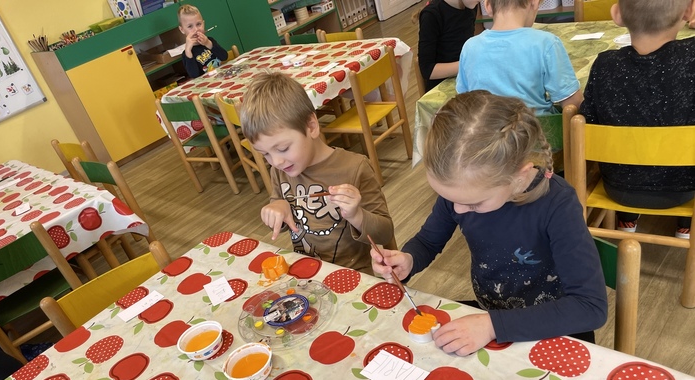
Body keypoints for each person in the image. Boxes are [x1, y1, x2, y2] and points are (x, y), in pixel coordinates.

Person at [371, 91, 607, 355]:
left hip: (556, 329)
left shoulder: (557, 205)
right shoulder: (463, 193)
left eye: (474, 204)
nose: (458, 210)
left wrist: (492, 326)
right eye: (449, 198)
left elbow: (590, 307)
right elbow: (427, 241)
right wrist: (409, 260)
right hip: (492, 318)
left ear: (518, 177)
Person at [240, 71, 394, 275]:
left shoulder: (355, 167)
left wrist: (356, 215)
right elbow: (280, 213)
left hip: (352, 274)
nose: (276, 161)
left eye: (283, 148)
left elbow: (385, 233)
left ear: (311, 127)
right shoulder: (280, 170)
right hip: (307, 272)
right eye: (265, 154)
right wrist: (276, 208)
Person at [581, 0, 695, 239]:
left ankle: (627, 219)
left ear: (617, 14)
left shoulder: (604, 65)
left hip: (618, 189)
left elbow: (588, 119)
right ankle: (685, 226)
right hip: (685, 190)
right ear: (688, 11)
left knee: (628, 129)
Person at [456, 0, 582, 115]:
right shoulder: (547, 43)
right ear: (534, 2)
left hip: (485, 131)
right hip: (537, 130)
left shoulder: (469, 47)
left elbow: (464, 100)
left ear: (487, 6)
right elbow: (573, 103)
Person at [415, 0, 479, 92]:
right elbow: (427, 70)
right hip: (441, 89)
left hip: (465, 79)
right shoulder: (431, 15)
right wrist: (466, 64)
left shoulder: (471, 7)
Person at [178, 5, 228, 78]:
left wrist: (208, 43)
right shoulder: (187, 53)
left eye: (198, 24)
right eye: (190, 26)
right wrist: (188, 51)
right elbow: (194, 75)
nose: (196, 29)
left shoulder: (210, 41)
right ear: (182, 30)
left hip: (221, 76)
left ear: (203, 23)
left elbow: (224, 57)